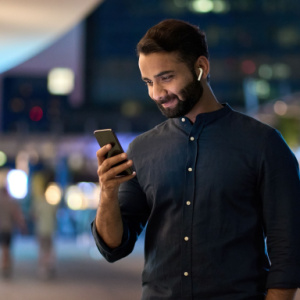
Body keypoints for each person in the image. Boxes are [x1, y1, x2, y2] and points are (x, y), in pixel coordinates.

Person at [91, 19, 300, 299]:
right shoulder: (141, 149)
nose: (156, 93)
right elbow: (114, 246)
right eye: (148, 82)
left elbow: (288, 252)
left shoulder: (264, 145)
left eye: (166, 77)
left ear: (201, 67)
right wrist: (108, 192)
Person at [0, 185, 26, 278]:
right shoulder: (11, 202)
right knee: (7, 248)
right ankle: (6, 266)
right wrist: (22, 226)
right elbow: (16, 214)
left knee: (4, 248)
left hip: (2, 229)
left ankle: (4, 265)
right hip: (8, 228)